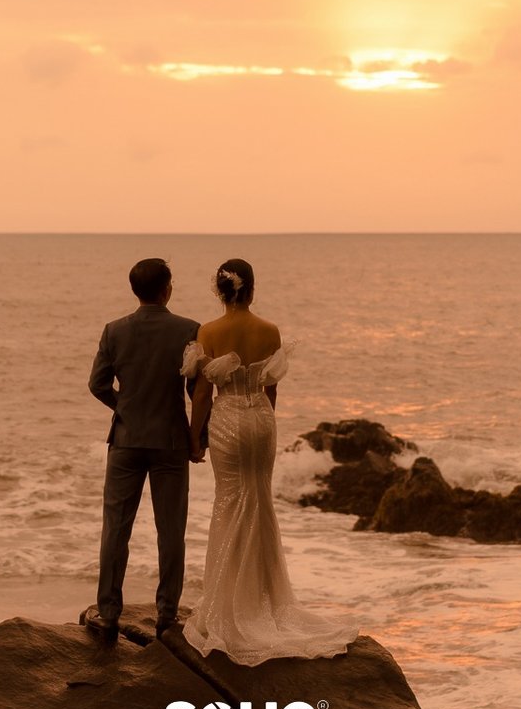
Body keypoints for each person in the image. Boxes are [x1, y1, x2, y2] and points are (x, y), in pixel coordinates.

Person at [181, 258, 356, 665]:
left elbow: (204, 395)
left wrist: (195, 438)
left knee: (230, 502)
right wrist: (263, 419)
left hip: (227, 421)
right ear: (251, 289)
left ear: (220, 291)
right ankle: (265, 600)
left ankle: (231, 603)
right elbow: (270, 389)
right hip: (261, 420)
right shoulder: (269, 331)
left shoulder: (209, 331)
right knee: (258, 501)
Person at [84, 257, 203, 644]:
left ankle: (108, 613)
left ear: (135, 291)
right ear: (167, 288)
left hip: (126, 441)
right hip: (169, 441)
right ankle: (167, 615)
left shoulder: (114, 330)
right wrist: (197, 438)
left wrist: (125, 406)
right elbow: (196, 391)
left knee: (116, 529)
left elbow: (97, 384)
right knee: (171, 532)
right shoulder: (188, 330)